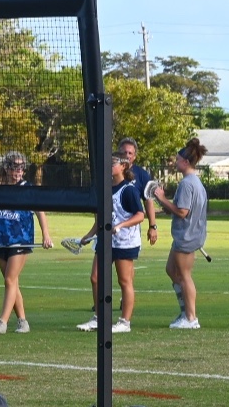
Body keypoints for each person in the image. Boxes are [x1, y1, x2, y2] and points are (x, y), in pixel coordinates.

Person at [0, 152, 54, 334]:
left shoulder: (27, 188)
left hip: (20, 239)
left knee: (9, 279)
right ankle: (22, 321)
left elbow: (40, 210)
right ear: (7, 168)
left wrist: (46, 235)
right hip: (0, 241)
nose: (19, 171)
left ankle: (2, 322)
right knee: (12, 282)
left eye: (22, 167)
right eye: (16, 167)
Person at [75, 152, 145, 333]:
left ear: (123, 166)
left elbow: (140, 215)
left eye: (113, 163)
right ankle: (99, 318)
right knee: (95, 278)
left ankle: (124, 322)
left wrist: (122, 225)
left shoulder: (128, 190)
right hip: (105, 241)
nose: (109, 166)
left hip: (124, 242)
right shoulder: (104, 188)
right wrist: (88, 235)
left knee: (124, 281)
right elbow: (100, 218)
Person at [151, 137, 209, 330]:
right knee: (171, 270)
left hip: (187, 236)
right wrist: (163, 202)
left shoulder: (187, 184)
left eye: (177, 160)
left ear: (185, 162)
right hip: (187, 234)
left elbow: (182, 212)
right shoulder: (194, 182)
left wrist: (161, 197)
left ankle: (191, 318)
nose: (175, 163)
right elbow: (175, 208)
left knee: (184, 276)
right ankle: (185, 312)